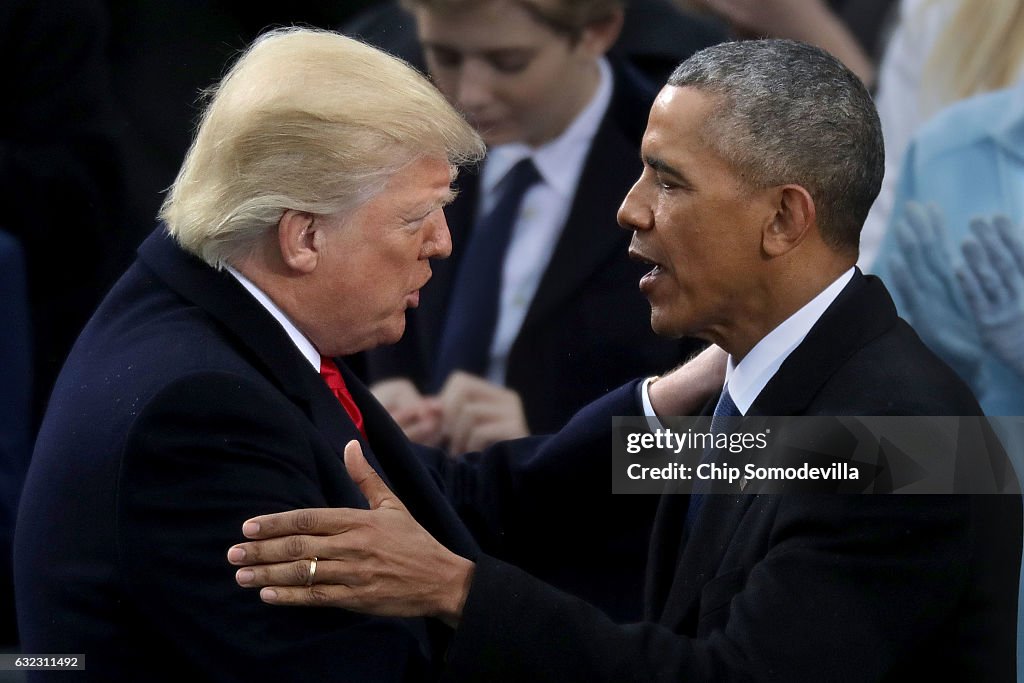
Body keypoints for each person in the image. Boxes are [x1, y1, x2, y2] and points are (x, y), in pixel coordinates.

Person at [229, 40, 1023, 681]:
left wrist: (456, 590)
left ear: (784, 218)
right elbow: (554, 488)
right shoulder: (764, 383)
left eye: (668, 181)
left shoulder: (902, 438)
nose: (629, 207)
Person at [13, 27, 720, 681]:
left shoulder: (218, 314)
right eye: (416, 217)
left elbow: (451, 500)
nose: (443, 243)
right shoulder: (198, 416)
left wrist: (663, 405)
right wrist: (466, 595)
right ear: (304, 237)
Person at [362, 0, 702, 461]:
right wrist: (356, 412)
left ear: (596, 32)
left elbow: (801, 459)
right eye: (445, 57)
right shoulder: (387, 138)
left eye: (509, 63)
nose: (471, 93)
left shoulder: (698, 161)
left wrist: (552, 450)